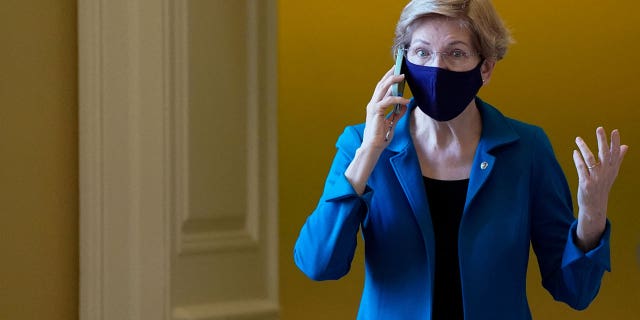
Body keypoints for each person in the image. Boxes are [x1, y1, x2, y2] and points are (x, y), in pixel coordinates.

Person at [293, 0, 629, 319]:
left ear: (485, 67)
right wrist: (369, 152)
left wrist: (592, 217)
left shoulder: (527, 149)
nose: (436, 68)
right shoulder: (360, 145)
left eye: (456, 53)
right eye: (421, 52)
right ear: (401, 61)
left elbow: (574, 291)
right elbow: (319, 264)